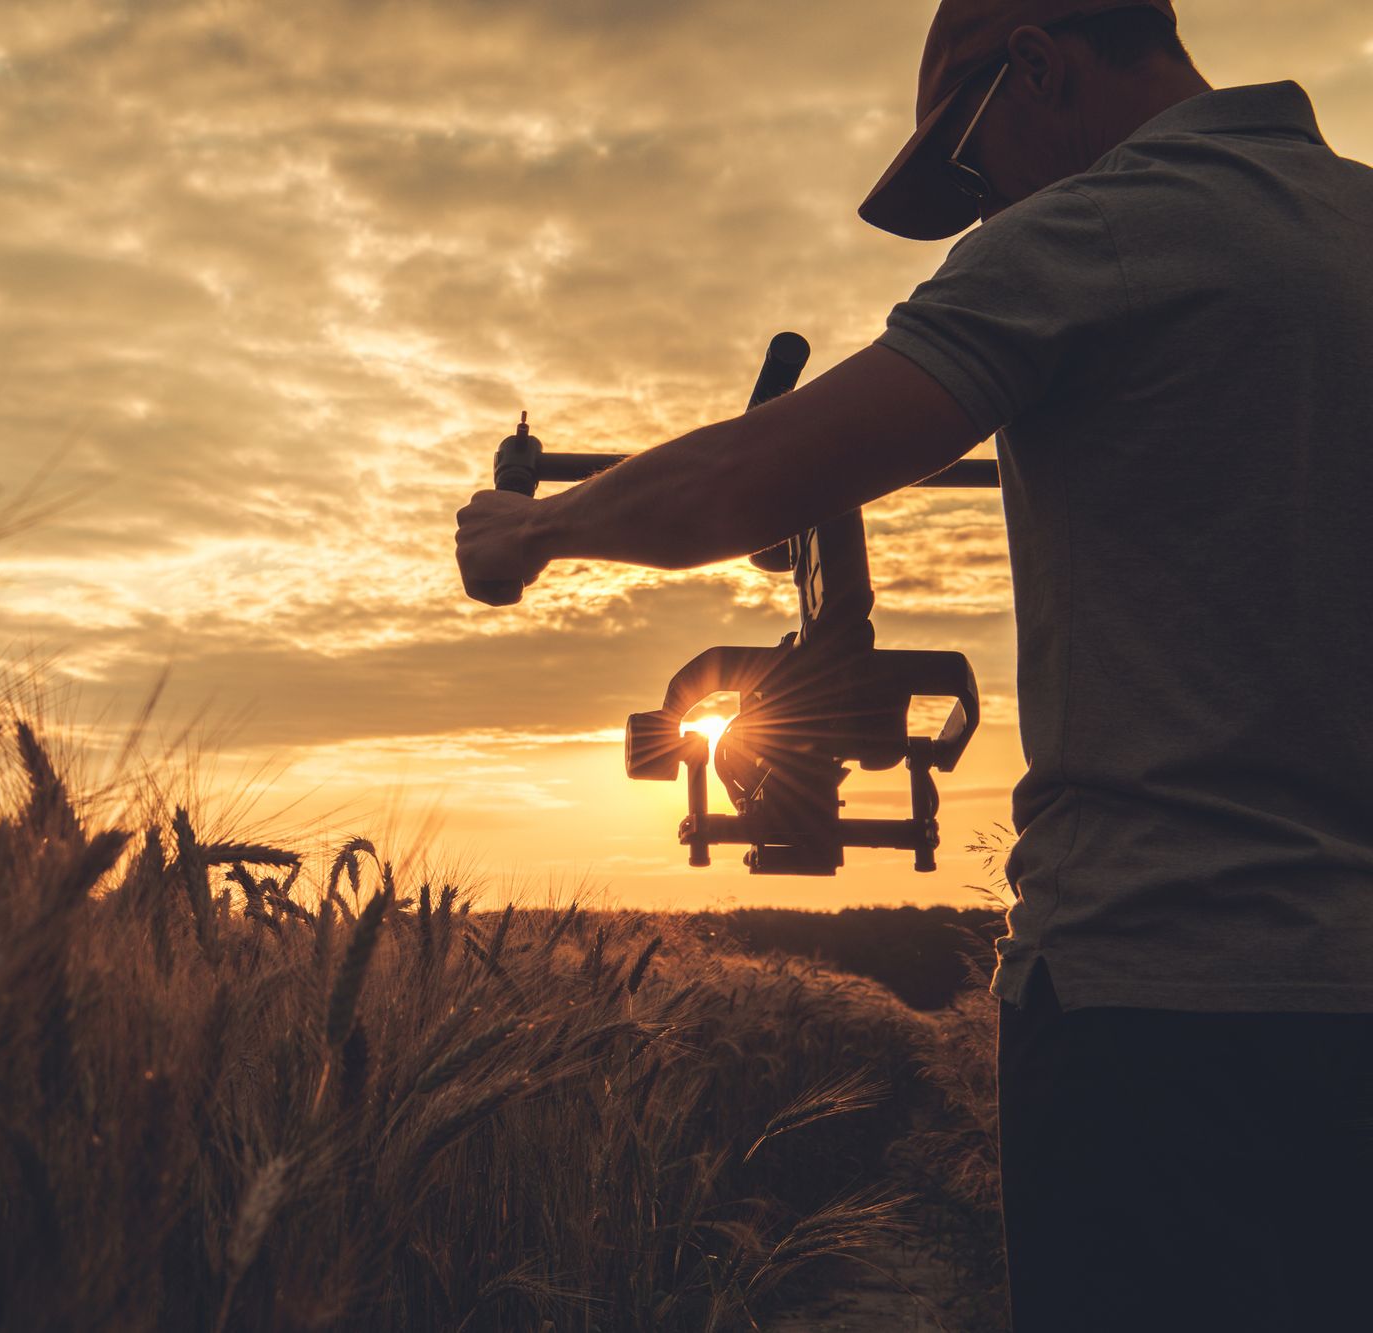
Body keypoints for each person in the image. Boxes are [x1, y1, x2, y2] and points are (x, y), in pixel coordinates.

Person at [453, 2, 1373, 1328]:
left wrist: (536, 528)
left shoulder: (1093, 232)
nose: (977, 207)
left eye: (966, 164)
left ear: (1043, 67)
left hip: (1156, 1016)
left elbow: (749, 472)